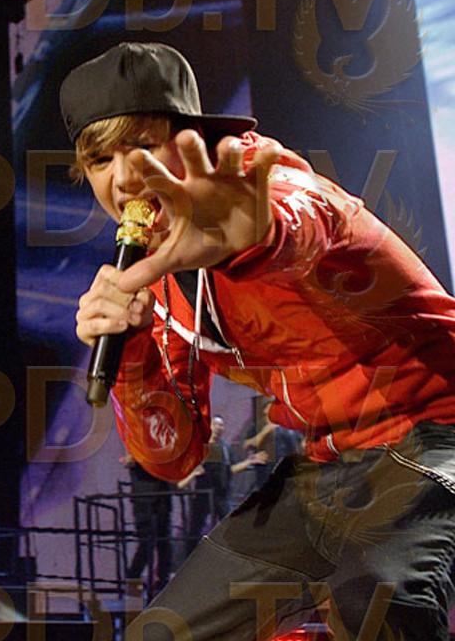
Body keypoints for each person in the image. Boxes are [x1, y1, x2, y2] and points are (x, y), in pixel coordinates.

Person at [67, 41, 455, 639]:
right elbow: (175, 458)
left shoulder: (264, 187)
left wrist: (253, 242)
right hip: (327, 467)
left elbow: (303, 221)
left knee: (376, 607)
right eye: (100, 160)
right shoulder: (158, 278)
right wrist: (133, 350)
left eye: (142, 147)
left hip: (434, 433)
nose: (123, 179)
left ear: (192, 139)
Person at [177, 415, 267, 555]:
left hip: (221, 493)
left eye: (221, 425)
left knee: (228, 524)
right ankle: (190, 557)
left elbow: (230, 469)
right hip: (203, 494)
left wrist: (249, 462)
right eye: (215, 425)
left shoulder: (225, 448)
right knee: (196, 527)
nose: (219, 428)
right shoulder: (200, 447)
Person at [119, 454, 173, 595]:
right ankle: (133, 578)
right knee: (146, 542)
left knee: (164, 541)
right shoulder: (139, 447)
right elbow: (129, 461)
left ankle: (163, 580)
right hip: (143, 498)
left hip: (162, 496)